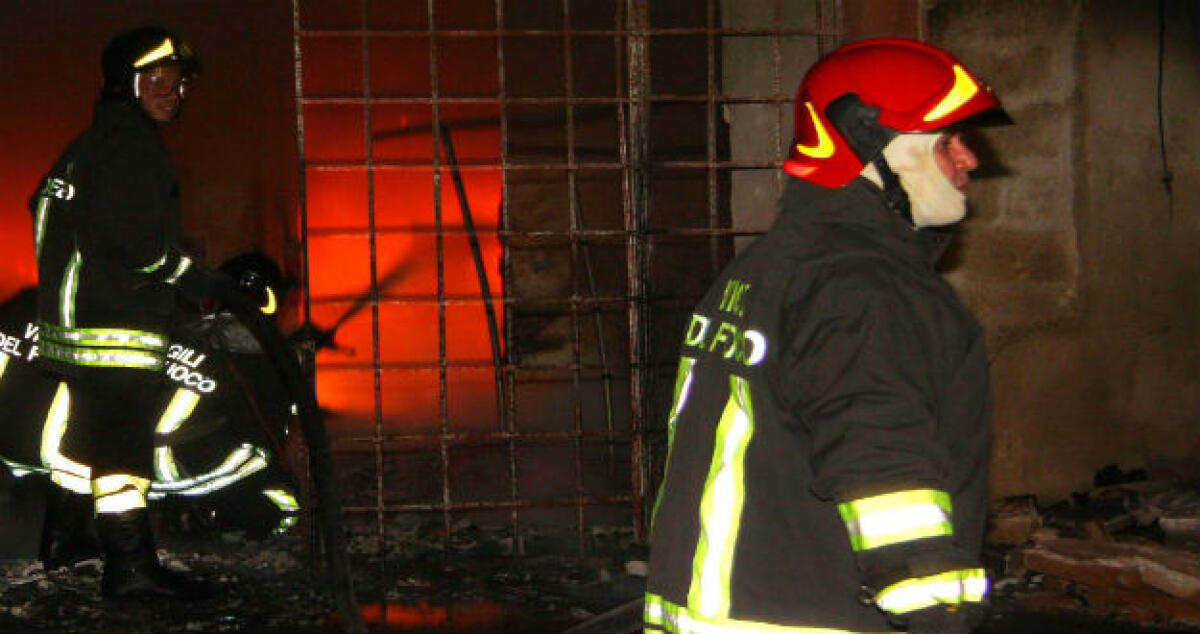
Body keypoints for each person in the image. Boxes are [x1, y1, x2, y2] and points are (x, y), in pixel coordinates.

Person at [643, 38, 1010, 634]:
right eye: (948, 141)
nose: (969, 159)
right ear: (879, 149)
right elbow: (880, 456)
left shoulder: (765, 269)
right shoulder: (863, 287)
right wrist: (936, 610)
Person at [28, 25, 226, 598]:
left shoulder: (86, 147)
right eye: (155, 78)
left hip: (75, 329)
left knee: (88, 432)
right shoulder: (133, 149)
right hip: (115, 327)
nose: (172, 92)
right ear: (125, 83)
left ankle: (65, 537)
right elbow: (137, 245)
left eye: (178, 81)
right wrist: (197, 278)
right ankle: (130, 567)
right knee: (123, 446)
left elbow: (51, 213)